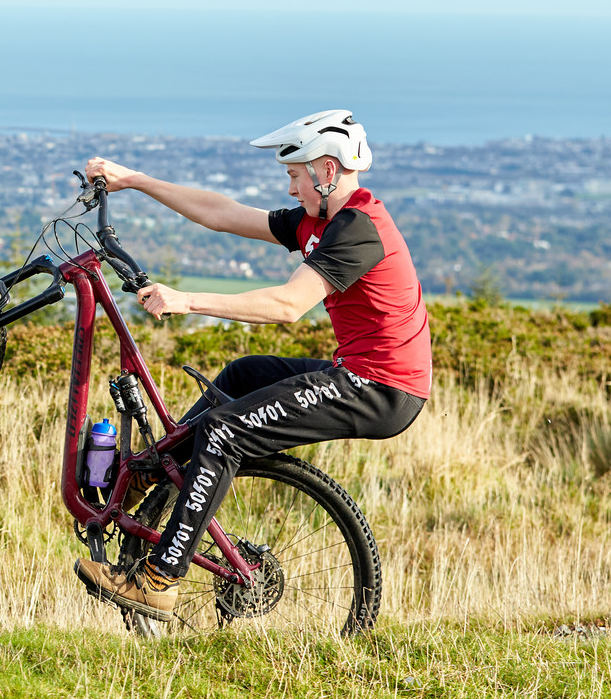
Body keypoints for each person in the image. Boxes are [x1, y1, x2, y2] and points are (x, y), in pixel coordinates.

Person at [72, 109, 431, 621]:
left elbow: (287, 306)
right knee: (241, 376)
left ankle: (159, 580)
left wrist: (187, 299)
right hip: (360, 371)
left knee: (222, 433)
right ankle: (147, 475)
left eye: (293, 177)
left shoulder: (358, 228)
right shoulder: (323, 220)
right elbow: (222, 213)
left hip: (380, 388)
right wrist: (135, 181)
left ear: (326, 171)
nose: (290, 192)